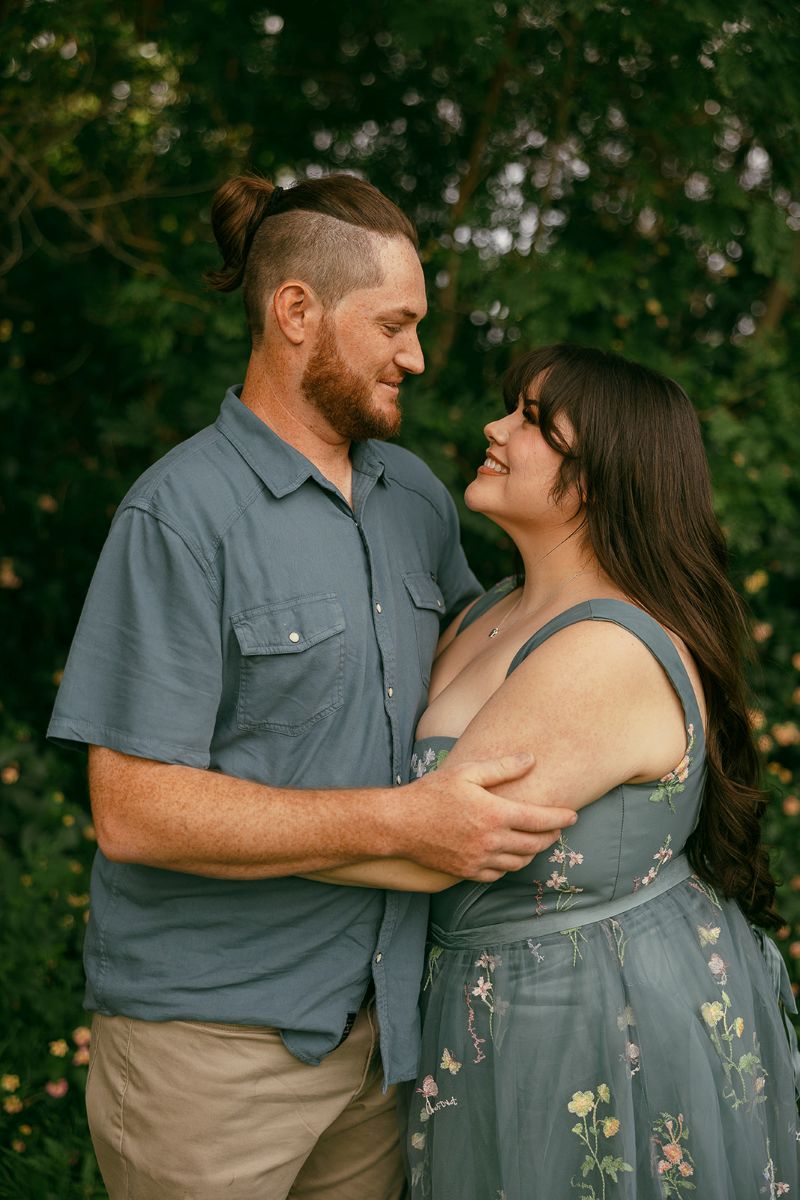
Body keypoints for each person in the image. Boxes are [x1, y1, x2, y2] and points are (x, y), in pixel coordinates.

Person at [46, 176, 578, 1200]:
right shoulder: (179, 517)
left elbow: (491, 669)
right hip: (210, 1054)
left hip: (383, 1046)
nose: (417, 357)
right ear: (296, 312)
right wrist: (403, 822)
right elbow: (133, 811)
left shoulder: (413, 496)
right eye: (394, 324)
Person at [313, 344, 800, 1198]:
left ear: (602, 478)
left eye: (535, 423)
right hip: (490, 1011)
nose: (495, 428)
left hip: (585, 1028)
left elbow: (435, 847)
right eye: (512, 408)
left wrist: (211, 832)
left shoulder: (603, 652)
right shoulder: (497, 604)